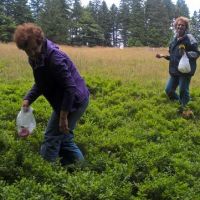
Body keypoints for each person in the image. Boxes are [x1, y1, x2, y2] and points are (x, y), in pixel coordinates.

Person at [14, 23, 89, 165]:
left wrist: (63, 117)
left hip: (75, 100)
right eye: (27, 51)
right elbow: (41, 82)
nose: (32, 54)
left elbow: (70, 88)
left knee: (52, 136)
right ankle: (80, 167)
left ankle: (48, 172)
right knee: (64, 138)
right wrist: (28, 98)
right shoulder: (35, 58)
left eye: (34, 49)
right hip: (66, 99)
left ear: (40, 41)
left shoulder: (55, 59)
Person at [156, 16, 199, 116]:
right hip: (174, 71)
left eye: (182, 25)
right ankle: (180, 103)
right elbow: (173, 56)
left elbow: (197, 53)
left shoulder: (190, 38)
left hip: (185, 71)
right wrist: (163, 56)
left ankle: (185, 110)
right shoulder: (174, 40)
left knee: (183, 90)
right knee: (169, 90)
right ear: (175, 26)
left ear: (186, 27)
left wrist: (186, 53)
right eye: (178, 25)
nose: (180, 27)